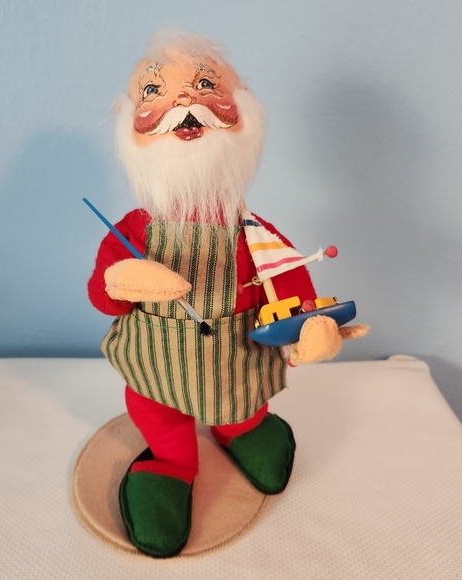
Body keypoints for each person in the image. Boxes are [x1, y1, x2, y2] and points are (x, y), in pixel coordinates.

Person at [87, 30, 367, 558]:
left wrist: (312, 331)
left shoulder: (256, 236)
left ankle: (241, 428)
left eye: (204, 84)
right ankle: (170, 462)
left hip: (236, 365)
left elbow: (293, 292)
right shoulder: (133, 231)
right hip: (156, 369)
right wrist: (125, 280)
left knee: (240, 406)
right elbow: (104, 297)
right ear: (128, 118)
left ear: (243, 107)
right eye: (155, 91)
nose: (183, 103)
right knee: (159, 415)